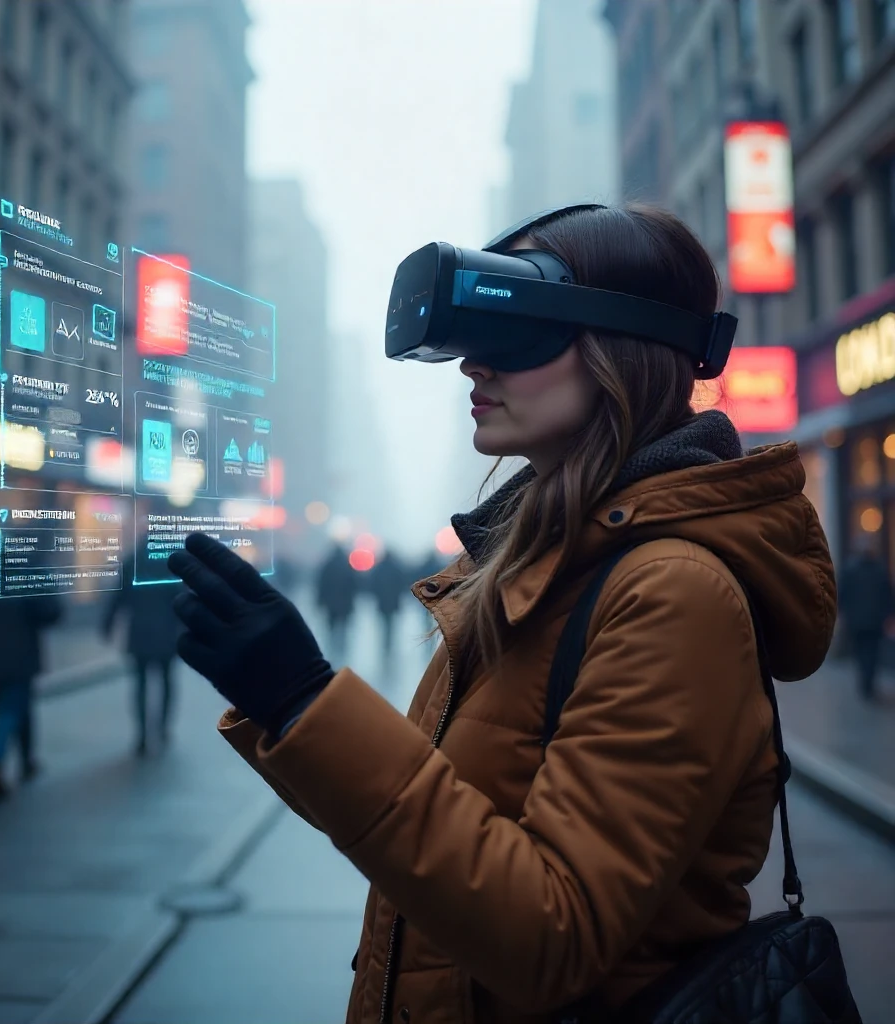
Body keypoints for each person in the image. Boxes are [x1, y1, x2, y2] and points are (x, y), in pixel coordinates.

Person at [166, 205, 837, 1022]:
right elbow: (428, 819)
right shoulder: (530, 565)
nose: (472, 369)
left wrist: (307, 700)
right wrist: (289, 712)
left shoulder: (672, 594)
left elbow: (554, 932)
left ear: (618, 349)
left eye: (514, 336)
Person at [0, 544, 60, 800]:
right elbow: (50, 611)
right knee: (11, 709)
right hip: (21, 656)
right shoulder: (27, 576)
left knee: (13, 706)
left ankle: (27, 760)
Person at [102, 558, 182, 755]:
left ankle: (142, 734)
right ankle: (162, 728)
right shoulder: (170, 561)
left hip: (140, 632)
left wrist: (107, 624)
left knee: (140, 685)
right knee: (166, 681)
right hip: (166, 633)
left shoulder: (134, 560)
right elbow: (182, 597)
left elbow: (119, 596)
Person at [839, 537, 893, 700]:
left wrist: (843, 614)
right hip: (874, 620)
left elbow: (842, 595)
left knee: (862, 651)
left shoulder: (850, 569)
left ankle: (865, 681)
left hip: (857, 620)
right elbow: (888, 596)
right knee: (872, 652)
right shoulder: (880, 570)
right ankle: (868, 682)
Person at [313, 543, 358, 663]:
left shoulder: (327, 565)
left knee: (331, 626)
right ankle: (341, 648)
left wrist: (320, 600)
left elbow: (321, 584)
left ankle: (332, 646)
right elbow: (353, 585)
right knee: (343, 626)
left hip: (331, 603)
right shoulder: (347, 566)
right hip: (344, 603)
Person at [366, 549, 407, 669]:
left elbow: (372, 584)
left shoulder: (379, 568)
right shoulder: (396, 568)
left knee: (384, 623)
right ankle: (389, 643)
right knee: (391, 624)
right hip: (393, 602)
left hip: (382, 602)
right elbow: (402, 583)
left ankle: (385, 643)